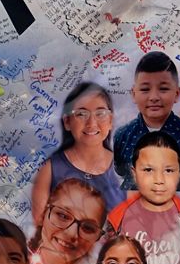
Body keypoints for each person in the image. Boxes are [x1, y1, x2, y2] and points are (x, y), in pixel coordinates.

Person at [106, 130, 180, 264]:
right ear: (134, 173)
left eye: (168, 170)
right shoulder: (117, 219)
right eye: (148, 170)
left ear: (179, 174)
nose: (159, 180)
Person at [30, 82, 125, 221]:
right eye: (81, 114)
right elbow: (41, 229)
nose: (92, 123)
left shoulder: (126, 168)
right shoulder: (49, 170)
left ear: (110, 120)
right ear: (67, 121)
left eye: (100, 113)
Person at [114, 52, 180, 190]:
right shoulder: (122, 135)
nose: (154, 97)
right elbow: (121, 171)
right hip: (132, 208)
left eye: (163, 89)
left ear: (176, 93)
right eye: (145, 89)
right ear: (134, 94)